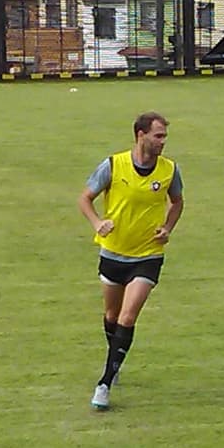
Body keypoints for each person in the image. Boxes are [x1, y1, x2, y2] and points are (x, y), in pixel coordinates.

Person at [78, 112, 184, 410]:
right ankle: (116, 355)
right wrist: (97, 223)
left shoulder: (169, 170)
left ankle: (105, 382)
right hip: (113, 253)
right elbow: (84, 198)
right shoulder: (113, 165)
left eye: (165, 136)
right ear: (140, 135)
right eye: (158, 136)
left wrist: (168, 227)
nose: (163, 142)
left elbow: (177, 202)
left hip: (147, 255)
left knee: (127, 317)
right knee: (112, 316)